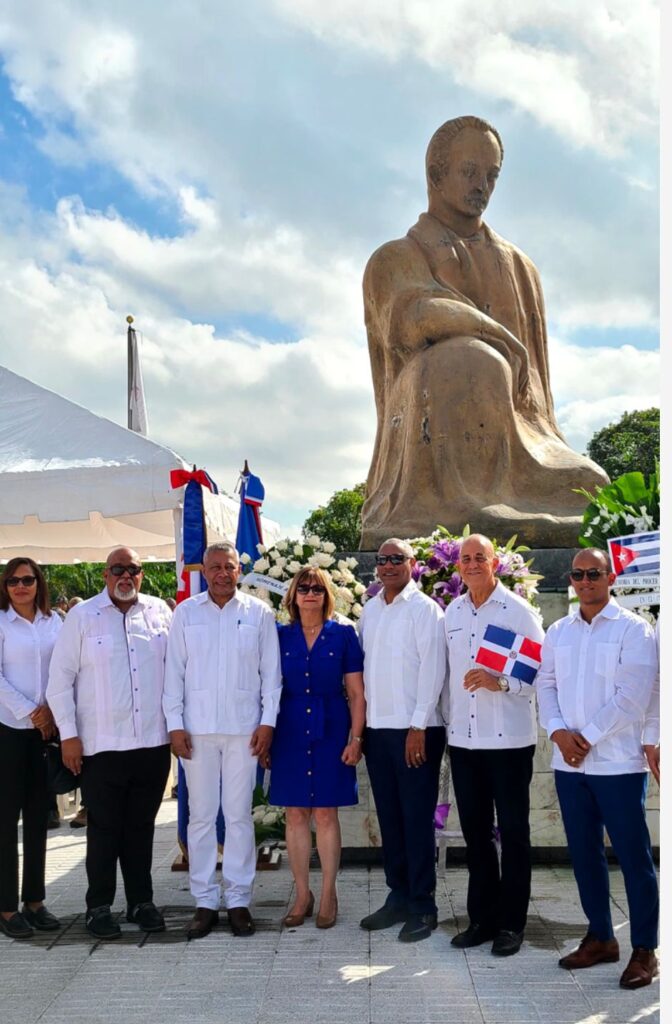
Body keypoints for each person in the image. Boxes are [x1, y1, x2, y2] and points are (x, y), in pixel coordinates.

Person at [360, 115, 607, 550]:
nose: (482, 186)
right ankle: (462, 504)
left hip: (520, 436)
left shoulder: (519, 266)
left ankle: (508, 498)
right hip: (429, 431)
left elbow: (536, 401)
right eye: (469, 172)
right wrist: (495, 335)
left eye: (491, 175)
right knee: (467, 358)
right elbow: (414, 317)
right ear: (436, 175)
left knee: (593, 486)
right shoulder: (396, 256)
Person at [536, 548, 659, 989]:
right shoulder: (558, 632)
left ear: (610, 578)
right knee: (584, 856)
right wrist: (557, 733)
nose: (585, 580)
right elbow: (545, 684)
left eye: (593, 573)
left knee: (634, 858)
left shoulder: (634, 630)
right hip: (570, 765)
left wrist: (582, 737)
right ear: (570, 580)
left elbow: (633, 696)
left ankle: (645, 948)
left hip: (617, 763)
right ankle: (601, 938)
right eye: (578, 574)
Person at [46, 547, 173, 940]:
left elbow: (177, 672)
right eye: (118, 569)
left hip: (152, 743)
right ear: (105, 574)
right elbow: (59, 682)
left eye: (134, 570)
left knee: (141, 828)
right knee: (103, 831)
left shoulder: (159, 613)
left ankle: (141, 901)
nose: (126, 576)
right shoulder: (83, 617)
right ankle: (98, 907)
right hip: (100, 747)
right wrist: (68, 734)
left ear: (141, 575)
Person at [163, 542, 282, 939]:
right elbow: (173, 674)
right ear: (204, 570)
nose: (222, 573)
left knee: (237, 816)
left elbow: (272, 675)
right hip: (196, 731)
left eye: (229, 566)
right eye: (214, 566)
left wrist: (267, 723)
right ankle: (204, 900)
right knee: (199, 816)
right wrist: (175, 724)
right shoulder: (186, 613)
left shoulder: (258, 613)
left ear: (237, 570)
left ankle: (238, 899)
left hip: (244, 731)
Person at [442, 534, 544, 957]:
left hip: (509, 742)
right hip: (465, 743)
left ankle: (511, 925)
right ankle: (481, 919)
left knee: (515, 835)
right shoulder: (452, 612)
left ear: (494, 562)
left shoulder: (518, 611)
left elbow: (539, 672)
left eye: (478, 557)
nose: (471, 564)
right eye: (464, 558)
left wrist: (498, 680)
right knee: (476, 836)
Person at [358, 538, 446, 942]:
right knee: (390, 818)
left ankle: (423, 905)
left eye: (397, 559)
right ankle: (398, 895)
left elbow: (433, 671)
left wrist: (419, 726)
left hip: (416, 731)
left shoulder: (425, 610)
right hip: (378, 730)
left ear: (413, 564)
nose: (389, 565)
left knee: (416, 818)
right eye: (383, 559)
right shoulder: (370, 610)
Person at [269, 567, 365, 930]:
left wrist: (356, 739)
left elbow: (356, 693)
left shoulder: (343, 635)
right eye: (303, 588)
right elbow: (266, 687)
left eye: (318, 589)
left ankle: (328, 893)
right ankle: (301, 893)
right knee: (294, 813)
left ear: (327, 597)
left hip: (331, 727)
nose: (310, 594)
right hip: (289, 728)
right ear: (293, 596)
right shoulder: (278, 636)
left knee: (325, 813)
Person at [0, 558, 62, 939]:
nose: (20, 586)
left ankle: (34, 901)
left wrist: (53, 712)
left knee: (40, 818)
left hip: (46, 732)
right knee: (7, 823)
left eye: (27, 579)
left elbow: (69, 668)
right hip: (8, 731)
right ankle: (6, 908)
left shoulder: (56, 622)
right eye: (12, 580)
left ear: (38, 582)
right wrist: (31, 711)